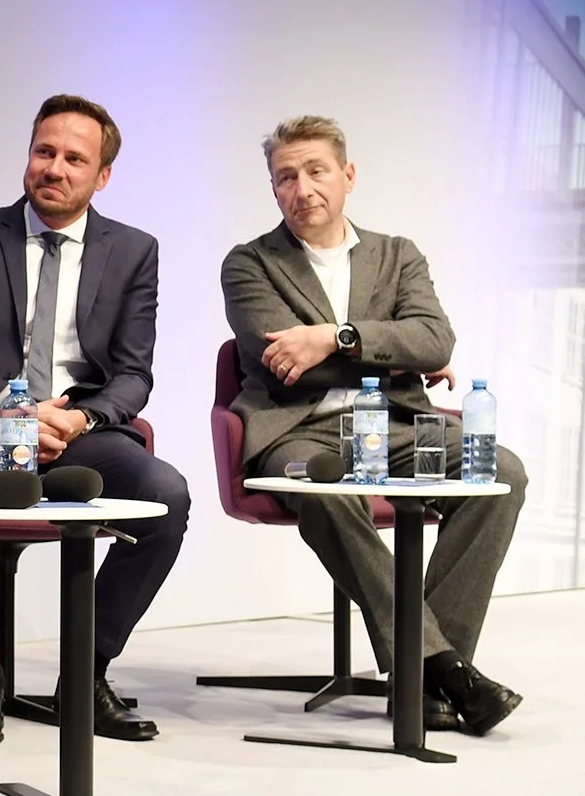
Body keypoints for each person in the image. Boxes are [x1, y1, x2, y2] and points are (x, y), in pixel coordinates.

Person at [0, 94, 190, 746]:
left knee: (167, 495)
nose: (53, 167)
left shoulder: (134, 250)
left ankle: (86, 672)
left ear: (101, 175)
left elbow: (133, 373)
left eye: (73, 158)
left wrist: (80, 419)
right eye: (44, 151)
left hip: (72, 433)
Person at [221, 114, 523, 734]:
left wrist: (334, 337)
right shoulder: (249, 263)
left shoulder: (397, 255)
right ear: (273, 188)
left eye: (315, 171)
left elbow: (436, 336)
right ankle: (442, 670)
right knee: (325, 481)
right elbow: (282, 366)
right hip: (297, 435)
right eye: (285, 177)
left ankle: (427, 673)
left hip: (401, 428)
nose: (301, 188)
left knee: (505, 472)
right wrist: (396, 353)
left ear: (347, 175)